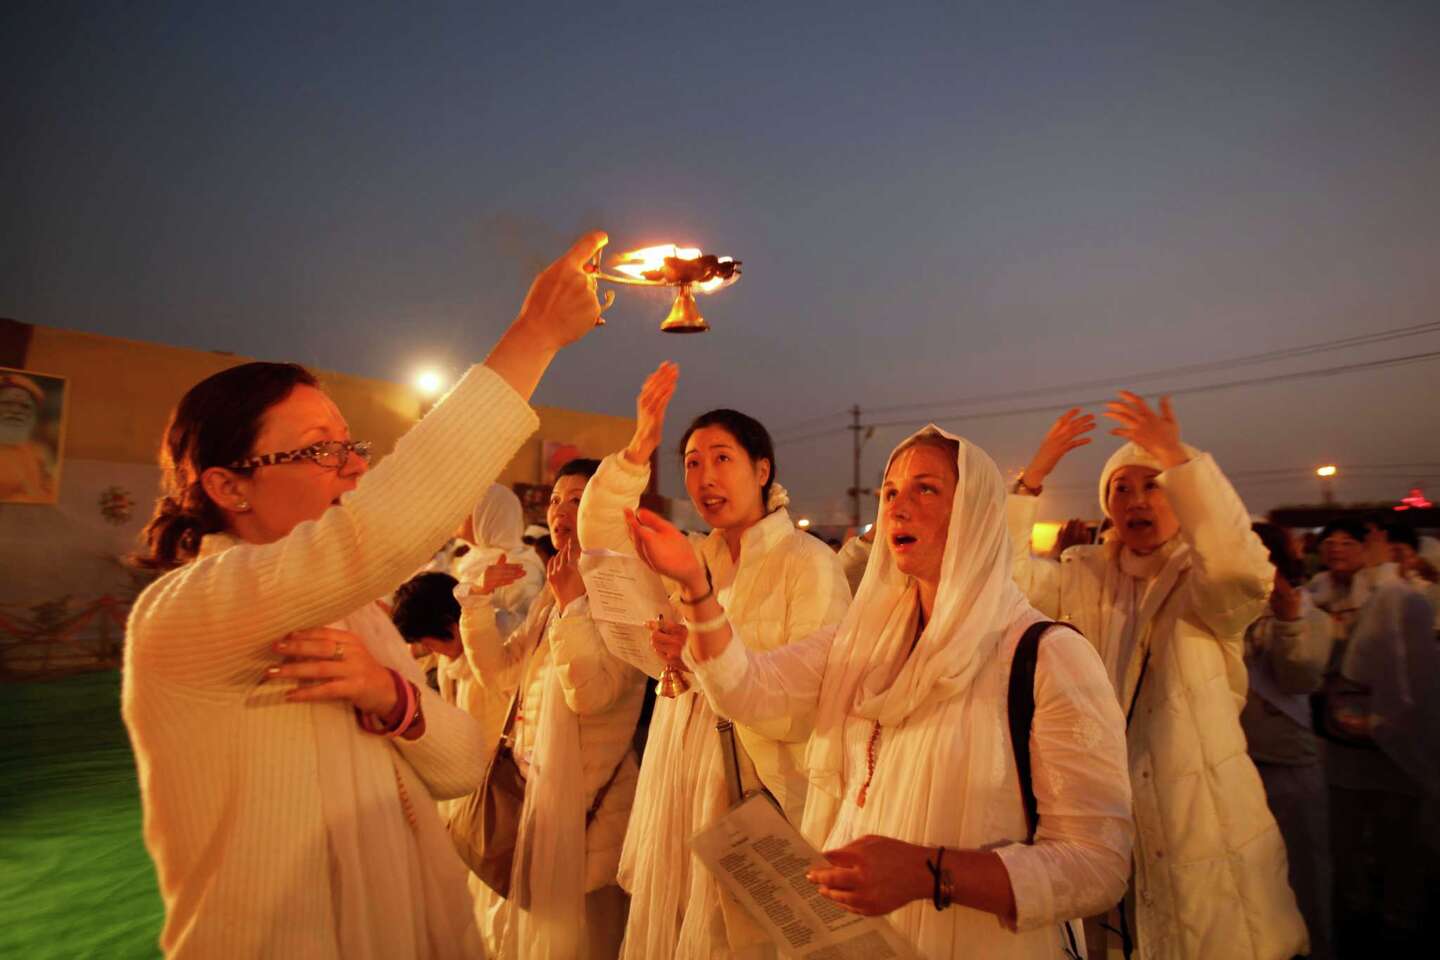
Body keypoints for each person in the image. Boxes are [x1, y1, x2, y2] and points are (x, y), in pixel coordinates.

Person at [121, 231, 608, 959]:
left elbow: (462, 765)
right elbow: (382, 531)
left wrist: (391, 697)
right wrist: (533, 336)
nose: (351, 470)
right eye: (320, 449)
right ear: (227, 485)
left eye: (351, 446)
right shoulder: (187, 612)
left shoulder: (353, 617)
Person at [626, 426, 1133, 958]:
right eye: (890, 492)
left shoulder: (1045, 658)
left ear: (978, 513)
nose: (898, 507)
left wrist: (929, 874)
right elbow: (750, 691)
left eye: (926, 490)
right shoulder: (862, 645)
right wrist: (696, 588)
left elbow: (1097, 863)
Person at [1007, 395, 1306, 960]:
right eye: (1121, 488)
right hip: (1110, 805)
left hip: (1201, 810)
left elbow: (1240, 568)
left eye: (1155, 485)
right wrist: (1032, 479)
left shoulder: (1203, 583)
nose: (1137, 500)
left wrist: (1178, 457)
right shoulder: (1083, 575)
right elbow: (1003, 581)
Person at [577, 361, 850, 959]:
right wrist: (640, 443)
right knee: (683, 924)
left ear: (762, 469)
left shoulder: (807, 563)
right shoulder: (695, 556)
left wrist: (699, 659)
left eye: (723, 458)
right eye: (693, 463)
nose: (705, 477)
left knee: (745, 937)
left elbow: (806, 696)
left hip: (754, 781)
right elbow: (600, 541)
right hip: (684, 768)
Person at [459, 457, 646, 959]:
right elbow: (501, 675)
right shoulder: (553, 587)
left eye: (579, 499)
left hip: (587, 812)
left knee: (579, 943)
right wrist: (476, 602)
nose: (563, 510)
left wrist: (574, 609)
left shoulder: (626, 590)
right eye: (558, 499)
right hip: (532, 794)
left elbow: (591, 696)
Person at [1307, 517, 1439, 950]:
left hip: (1394, 744)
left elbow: (1388, 658)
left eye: (1349, 541)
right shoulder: (1316, 595)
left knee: (1399, 839)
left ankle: (1399, 921)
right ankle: (1354, 919)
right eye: (1331, 541)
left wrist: (1383, 577)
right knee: (1343, 840)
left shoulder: (1403, 594)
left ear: (1371, 548)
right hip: (1340, 741)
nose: (1337, 548)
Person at [1242, 523, 1335, 960]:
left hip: (1288, 762)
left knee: (1303, 873)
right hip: (1237, 765)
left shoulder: (1309, 613)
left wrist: (1288, 619)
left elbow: (1300, 678)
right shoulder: (1226, 610)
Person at [455, 483, 546, 635]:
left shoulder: (520, 568)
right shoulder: (470, 560)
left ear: (486, 517)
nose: (457, 516)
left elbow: (523, 627)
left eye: (467, 511)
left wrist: (478, 604)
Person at [0, 371, 56, 502]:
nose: (16, 411)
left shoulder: (39, 452)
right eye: (7, 403)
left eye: (25, 406)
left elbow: (51, 494)